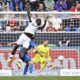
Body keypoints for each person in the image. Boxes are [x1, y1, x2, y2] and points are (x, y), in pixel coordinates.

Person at [7, 0, 48, 66]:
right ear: (37, 20)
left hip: (28, 39)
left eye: (40, 20)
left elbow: (42, 27)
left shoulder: (37, 27)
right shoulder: (32, 21)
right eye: (39, 20)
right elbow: (29, 14)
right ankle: (11, 57)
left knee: (24, 50)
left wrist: (45, 21)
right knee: (16, 46)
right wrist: (28, 8)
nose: (39, 20)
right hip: (24, 35)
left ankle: (19, 62)